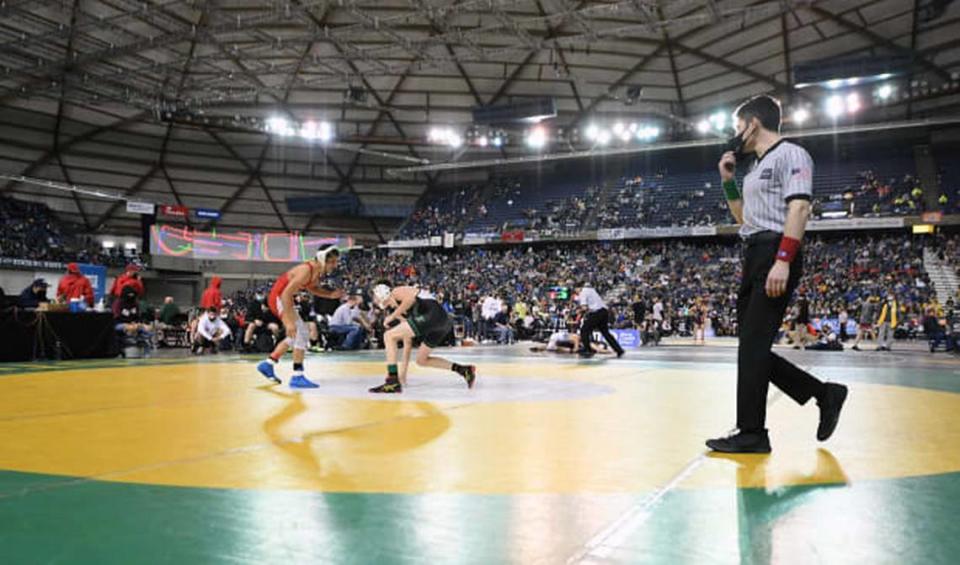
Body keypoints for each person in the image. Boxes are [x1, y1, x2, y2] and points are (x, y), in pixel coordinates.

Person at [706, 94, 847, 454]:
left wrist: (783, 259)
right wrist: (727, 182)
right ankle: (823, 394)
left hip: (775, 252)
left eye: (738, 127)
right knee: (750, 350)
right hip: (754, 252)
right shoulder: (753, 168)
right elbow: (743, 220)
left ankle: (753, 432)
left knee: (752, 349)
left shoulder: (792, 154)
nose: (736, 135)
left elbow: (799, 207)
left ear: (752, 124)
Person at [255, 245, 344, 388]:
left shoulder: (316, 270)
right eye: (332, 262)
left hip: (283, 297)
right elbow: (286, 294)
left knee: (296, 334)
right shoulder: (306, 270)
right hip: (279, 297)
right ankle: (297, 375)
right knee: (299, 332)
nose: (335, 265)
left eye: (336, 261)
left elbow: (312, 288)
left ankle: (269, 363)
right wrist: (288, 321)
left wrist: (330, 295)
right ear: (323, 259)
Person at [367, 282, 476, 393]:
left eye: (375, 297)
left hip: (433, 314)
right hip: (441, 322)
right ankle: (464, 370)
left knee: (388, 336)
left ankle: (392, 381)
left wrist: (392, 316)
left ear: (380, 293)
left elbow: (410, 299)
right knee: (421, 360)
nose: (374, 301)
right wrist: (402, 375)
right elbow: (407, 341)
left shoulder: (395, 292)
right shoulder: (397, 310)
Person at [575, 282, 625, 358]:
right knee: (605, 333)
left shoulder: (582, 293)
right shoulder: (591, 290)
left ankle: (588, 350)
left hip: (596, 312)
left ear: (578, 288)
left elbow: (584, 307)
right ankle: (619, 350)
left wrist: (579, 311)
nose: (577, 293)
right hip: (604, 312)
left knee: (584, 330)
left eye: (576, 291)